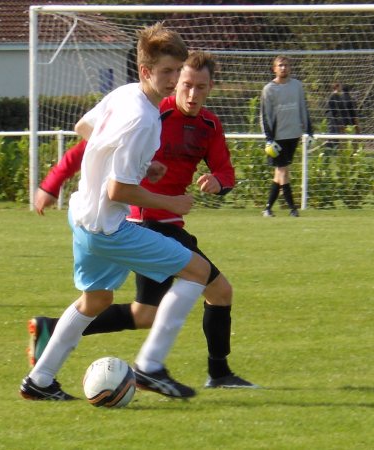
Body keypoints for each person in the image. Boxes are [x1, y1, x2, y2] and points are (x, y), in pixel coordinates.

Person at [31, 51, 256, 390]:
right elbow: (90, 147)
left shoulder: (208, 125)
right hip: (139, 221)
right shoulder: (151, 113)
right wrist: (52, 182)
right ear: (173, 80)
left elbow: (225, 169)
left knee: (140, 313)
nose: (192, 94)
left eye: (201, 87)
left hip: (151, 222)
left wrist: (218, 181)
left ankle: (48, 343)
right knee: (216, 288)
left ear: (211, 88)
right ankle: (202, 371)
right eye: (186, 85)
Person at [20, 22, 210, 401]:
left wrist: (141, 165)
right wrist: (171, 201)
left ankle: (39, 382)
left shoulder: (124, 95)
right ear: (146, 71)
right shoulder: (144, 119)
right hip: (108, 228)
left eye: (177, 70)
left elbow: (83, 127)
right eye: (166, 72)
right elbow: (118, 189)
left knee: (97, 300)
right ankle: (150, 367)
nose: (174, 80)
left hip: (81, 216)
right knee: (198, 272)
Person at [260, 55, 313, 218]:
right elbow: (264, 116)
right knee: (283, 171)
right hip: (278, 137)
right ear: (274, 68)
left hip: (294, 134)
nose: (283, 68)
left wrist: (309, 131)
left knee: (280, 173)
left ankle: (268, 209)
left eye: (286, 65)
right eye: (280, 65)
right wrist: (268, 139)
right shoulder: (269, 89)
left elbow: (303, 108)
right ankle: (293, 208)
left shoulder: (297, 86)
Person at [325, 82, 344, 150]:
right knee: (332, 130)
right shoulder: (334, 95)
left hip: (335, 115)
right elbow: (330, 107)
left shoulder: (337, 96)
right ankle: (328, 147)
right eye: (340, 87)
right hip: (331, 115)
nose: (341, 88)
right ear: (336, 87)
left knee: (335, 131)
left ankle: (334, 146)